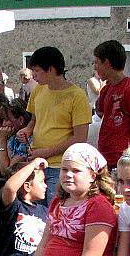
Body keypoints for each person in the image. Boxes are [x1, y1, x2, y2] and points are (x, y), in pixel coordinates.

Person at [17, 46, 91, 203]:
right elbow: (34, 120)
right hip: (37, 164)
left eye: (36, 71)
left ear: (50, 69)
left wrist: (47, 152)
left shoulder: (77, 96)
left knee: (53, 214)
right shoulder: (38, 91)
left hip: (61, 167)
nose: (33, 75)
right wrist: (27, 130)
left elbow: (80, 138)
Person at [94, 40, 130, 168]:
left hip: (121, 159)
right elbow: (101, 113)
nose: (95, 67)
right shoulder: (107, 88)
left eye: (96, 62)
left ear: (106, 63)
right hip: (104, 158)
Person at [0, 99, 32, 177]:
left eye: (7, 120)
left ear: (20, 120)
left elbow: (7, 171)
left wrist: (2, 141)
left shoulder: (27, 140)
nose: (4, 124)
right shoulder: (13, 140)